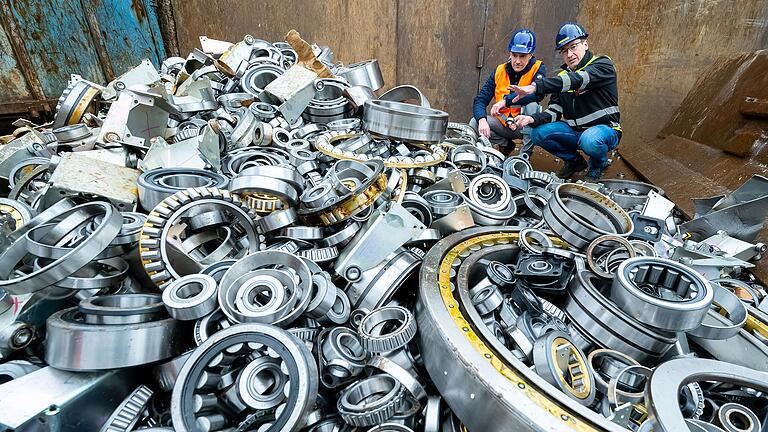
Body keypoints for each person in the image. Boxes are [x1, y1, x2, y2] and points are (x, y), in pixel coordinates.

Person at [508, 22, 621, 181]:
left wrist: (535, 87)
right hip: (576, 131)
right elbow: (554, 112)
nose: (569, 54)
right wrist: (531, 119)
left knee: (590, 140)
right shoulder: (563, 77)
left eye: (573, 47)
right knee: (537, 133)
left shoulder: (603, 64)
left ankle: (598, 164)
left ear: (585, 44)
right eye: (564, 51)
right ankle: (575, 162)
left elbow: (579, 79)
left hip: (604, 131)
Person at [470, 29, 546, 155]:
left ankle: (524, 156)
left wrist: (506, 101)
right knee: (475, 121)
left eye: (522, 56)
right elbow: (480, 100)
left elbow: (538, 95)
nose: (517, 61)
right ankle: (505, 144)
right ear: (510, 53)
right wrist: (482, 120)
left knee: (532, 105)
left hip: (524, 126)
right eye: (514, 55)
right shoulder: (499, 70)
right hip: (503, 122)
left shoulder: (538, 68)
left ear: (530, 55)